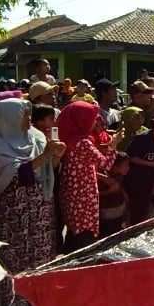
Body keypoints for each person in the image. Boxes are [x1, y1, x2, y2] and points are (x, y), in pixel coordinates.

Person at [0, 98, 65, 306]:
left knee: (41, 254)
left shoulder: (36, 137)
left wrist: (55, 157)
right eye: (24, 115)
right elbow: (17, 176)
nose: (28, 119)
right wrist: (46, 155)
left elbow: (47, 170)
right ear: (8, 119)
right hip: (14, 212)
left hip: (40, 209)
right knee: (14, 257)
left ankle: (39, 300)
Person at [58, 101, 120, 253]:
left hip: (72, 191)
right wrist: (114, 146)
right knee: (84, 236)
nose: (94, 122)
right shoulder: (83, 142)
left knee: (74, 232)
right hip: (83, 194)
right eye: (92, 118)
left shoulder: (69, 137)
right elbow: (105, 165)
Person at [98, 152, 130, 237]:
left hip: (119, 213)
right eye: (126, 165)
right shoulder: (103, 177)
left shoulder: (119, 176)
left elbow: (118, 187)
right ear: (115, 166)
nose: (128, 168)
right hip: (106, 215)